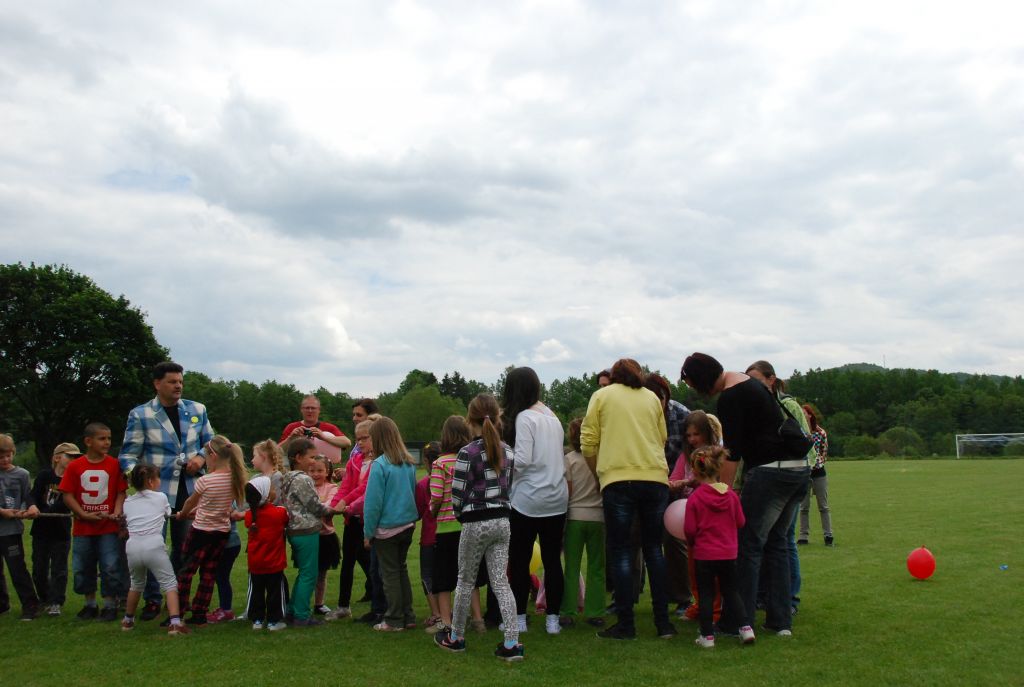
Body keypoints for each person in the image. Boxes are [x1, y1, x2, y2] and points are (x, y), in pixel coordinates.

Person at [679, 352, 809, 637]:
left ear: (702, 379)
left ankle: (738, 621)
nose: (697, 391)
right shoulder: (751, 384)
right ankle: (780, 621)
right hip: (798, 470)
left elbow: (732, 452)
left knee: (748, 546)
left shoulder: (730, 396)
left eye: (693, 385)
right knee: (777, 544)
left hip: (770, 472)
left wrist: (721, 491)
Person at [581, 358, 676, 640]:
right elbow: (662, 438)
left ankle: (625, 624)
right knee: (654, 550)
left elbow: (588, 443)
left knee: (621, 552)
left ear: (614, 376)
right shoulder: (651, 399)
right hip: (655, 478)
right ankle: (663, 624)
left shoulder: (601, 397)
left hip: (618, 480)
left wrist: (600, 474)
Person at [119, 361, 215, 621]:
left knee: (185, 547)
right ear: (157, 383)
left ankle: (178, 596)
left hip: (189, 489)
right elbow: (127, 456)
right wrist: (139, 479)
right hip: (155, 491)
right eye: (172, 382)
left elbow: (211, 443)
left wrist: (201, 458)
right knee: (152, 546)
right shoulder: (141, 414)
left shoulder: (197, 409)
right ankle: (152, 599)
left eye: (180, 381)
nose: (178, 386)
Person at [434, 394, 523, 662]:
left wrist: (461, 516)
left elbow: (458, 493)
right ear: (498, 417)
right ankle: (512, 642)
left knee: (465, 580)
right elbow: (509, 487)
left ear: (469, 419)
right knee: (500, 581)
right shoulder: (509, 451)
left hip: (475, 521)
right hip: (503, 521)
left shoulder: (467, 453)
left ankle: (456, 637)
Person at [501, 366, 568, 635]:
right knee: (553, 561)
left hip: (528, 499)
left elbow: (523, 460)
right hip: (556, 498)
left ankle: (519, 618)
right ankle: (553, 619)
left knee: (519, 560)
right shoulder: (552, 417)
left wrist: (501, 459)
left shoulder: (524, 417)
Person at [746, 360, 812, 615]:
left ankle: (789, 598)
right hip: (768, 477)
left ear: (771, 380)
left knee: (784, 539)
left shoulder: (788, 405)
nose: (752, 386)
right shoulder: (755, 407)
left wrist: (803, 474)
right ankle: (767, 597)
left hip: (790, 477)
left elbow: (806, 443)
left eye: (756, 380)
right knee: (769, 541)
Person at [683, 446, 754, 648]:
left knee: (706, 594)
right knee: (731, 591)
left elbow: (689, 529)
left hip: (704, 554)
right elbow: (741, 522)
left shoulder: (695, 498)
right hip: (728, 553)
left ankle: (707, 636)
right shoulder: (731, 495)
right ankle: (746, 628)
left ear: (695, 470)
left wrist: (692, 542)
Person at [174, 434, 247, 625]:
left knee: (186, 572)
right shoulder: (234, 479)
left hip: (200, 532)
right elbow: (214, 504)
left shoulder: (205, 480)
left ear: (213, 456)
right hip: (221, 533)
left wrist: (183, 514)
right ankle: (199, 613)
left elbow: (191, 502)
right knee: (208, 574)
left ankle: (178, 612)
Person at [60, 423, 127, 621]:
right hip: (83, 527)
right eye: (102, 438)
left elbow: (120, 492)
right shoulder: (75, 466)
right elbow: (67, 494)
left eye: (109, 438)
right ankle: (89, 604)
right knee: (82, 566)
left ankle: (110, 604)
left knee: (110, 565)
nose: (107, 442)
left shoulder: (114, 464)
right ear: (88, 441)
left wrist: (116, 512)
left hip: (108, 527)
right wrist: (82, 513)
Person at [429, 416, 487, 636]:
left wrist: (433, 511)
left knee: (443, 577)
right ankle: (478, 619)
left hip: (446, 527)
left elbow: (436, 497)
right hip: (469, 524)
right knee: (469, 575)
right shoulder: (472, 459)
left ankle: (446, 621)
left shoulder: (440, 464)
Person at [362, 417, 419, 632]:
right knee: (401, 570)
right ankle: (408, 615)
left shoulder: (379, 465)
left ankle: (394, 619)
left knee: (390, 574)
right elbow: (412, 492)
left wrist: (368, 533)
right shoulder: (408, 463)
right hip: (407, 525)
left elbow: (372, 504)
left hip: (387, 528)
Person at [644, 373, 692, 616]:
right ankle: (627, 596)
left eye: (660, 398)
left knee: (675, 542)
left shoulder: (681, 414)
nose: (657, 402)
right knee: (639, 540)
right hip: (647, 483)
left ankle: (682, 597)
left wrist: (681, 481)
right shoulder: (639, 416)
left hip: (678, 485)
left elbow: (692, 451)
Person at [120, 464, 189, 635]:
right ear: (151, 481)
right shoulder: (161, 497)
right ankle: (175, 622)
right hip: (153, 546)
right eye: (158, 478)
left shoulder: (128, 501)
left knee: (136, 583)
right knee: (170, 583)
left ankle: (128, 620)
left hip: (133, 547)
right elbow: (167, 512)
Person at [669, 411, 723, 623]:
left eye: (696, 434)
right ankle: (700, 604)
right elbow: (674, 478)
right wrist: (676, 483)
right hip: (690, 517)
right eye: (688, 435)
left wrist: (694, 482)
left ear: (706, 433)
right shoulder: (685, 456)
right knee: (693, 566)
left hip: (711, 518)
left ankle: (716, 609)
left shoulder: (716, 455)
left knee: (713, 567)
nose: (692, 439)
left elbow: (717, 482)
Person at [329, 414, 384, 622]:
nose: (360, 443)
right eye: (358, 439)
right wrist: (334, 506)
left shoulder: (379, 463)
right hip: (351, 519)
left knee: (374, 565)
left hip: (369, 519)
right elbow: (345, 486)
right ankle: (343, 606)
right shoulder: (355, 461)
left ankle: (380, 604)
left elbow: (365, 489)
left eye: (364, 438)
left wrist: (345, 505)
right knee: (348, 563)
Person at [279, 437, 337, 626]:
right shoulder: (303, 479)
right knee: (309, 574)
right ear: (298, 457)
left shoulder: (288, 477)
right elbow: (314, 505)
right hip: (306, 530)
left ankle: (292, 610)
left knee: (304, 572)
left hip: (294, 530)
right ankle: (302, 615)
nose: (314, 461)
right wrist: (332, 510)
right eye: (311, 457)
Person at [561, 418, 606, 627]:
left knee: (571, 566)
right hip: (598, 517)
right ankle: (595, 611)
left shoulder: (569, 460)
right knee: (597, 566)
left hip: (575, 518)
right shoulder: (600, 459)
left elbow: (568, 491)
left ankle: (568, 611)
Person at [30, 442, 79, 617]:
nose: (73, 459)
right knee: (39, 569)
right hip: (40, 531)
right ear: (57, 457)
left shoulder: (74, 479)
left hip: (61, 531)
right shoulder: (45, 476)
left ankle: (56, 601)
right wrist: (32, 506)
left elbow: (67, 502)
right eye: (70, 456)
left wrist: (47, 511)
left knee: (59, 569)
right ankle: (44, 598)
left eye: (76, 457)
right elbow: (34, 494)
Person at [0, 433, 41, 620]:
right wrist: (2, 511)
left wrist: (31, 507)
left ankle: (30, 605)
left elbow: (28, 496)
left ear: (13, 453)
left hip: (11, 531)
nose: (5, 459)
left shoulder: (22, 474)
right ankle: (2, 604)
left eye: (8, 455)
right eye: (1, 457)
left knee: (17, 569)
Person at [244, 475, 289, 631]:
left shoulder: (249, 515)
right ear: (267, 494)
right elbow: (286, 518)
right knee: (275, 592)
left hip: (255, 563)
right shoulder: (279, 512)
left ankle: (257, 619)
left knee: (256, 591)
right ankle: (274, 621)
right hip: (274, 562)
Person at [280, 395, 352, 473]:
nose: (310, 411)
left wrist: (323, 437)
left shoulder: (329, 427)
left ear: (319, 410)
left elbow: (347, 442)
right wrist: (291, 438)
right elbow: (277, 451)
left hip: (321, 473)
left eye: (313, 408)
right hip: (297, 473)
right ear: (301, 409)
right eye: (307, 408)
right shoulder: (291, 427)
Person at [307, 454, 340, 615]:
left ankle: (319, 603)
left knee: (321, 573)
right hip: (308, 535)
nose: (315, 474)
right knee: (308, 572)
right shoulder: (305, 486)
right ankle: (302, 603)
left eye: (319, 470)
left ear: (327, 471)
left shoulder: (332, 488)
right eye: (312, 470)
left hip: (325, 537)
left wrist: (313, 508)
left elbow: (329, 506)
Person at [799, 405, 834, 546]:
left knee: (823, 506)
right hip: (804, 472)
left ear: (810, 415)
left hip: (818, 472)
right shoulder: (799, 432)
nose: (803, 415)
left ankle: (828, 535)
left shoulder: (820, 433)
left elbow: (824, 452)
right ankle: (803, 535)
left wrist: (815, 463)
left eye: (804, 413)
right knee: (804, 506)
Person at [416, 441, 442, 630]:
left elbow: (417, 511)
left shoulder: (424, 484)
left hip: (429, 538)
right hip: (448, 535)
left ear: (426, 461)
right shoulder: (449, 480)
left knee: (427, 575)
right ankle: (448, 612)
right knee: (445, 575)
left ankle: (436, 614)